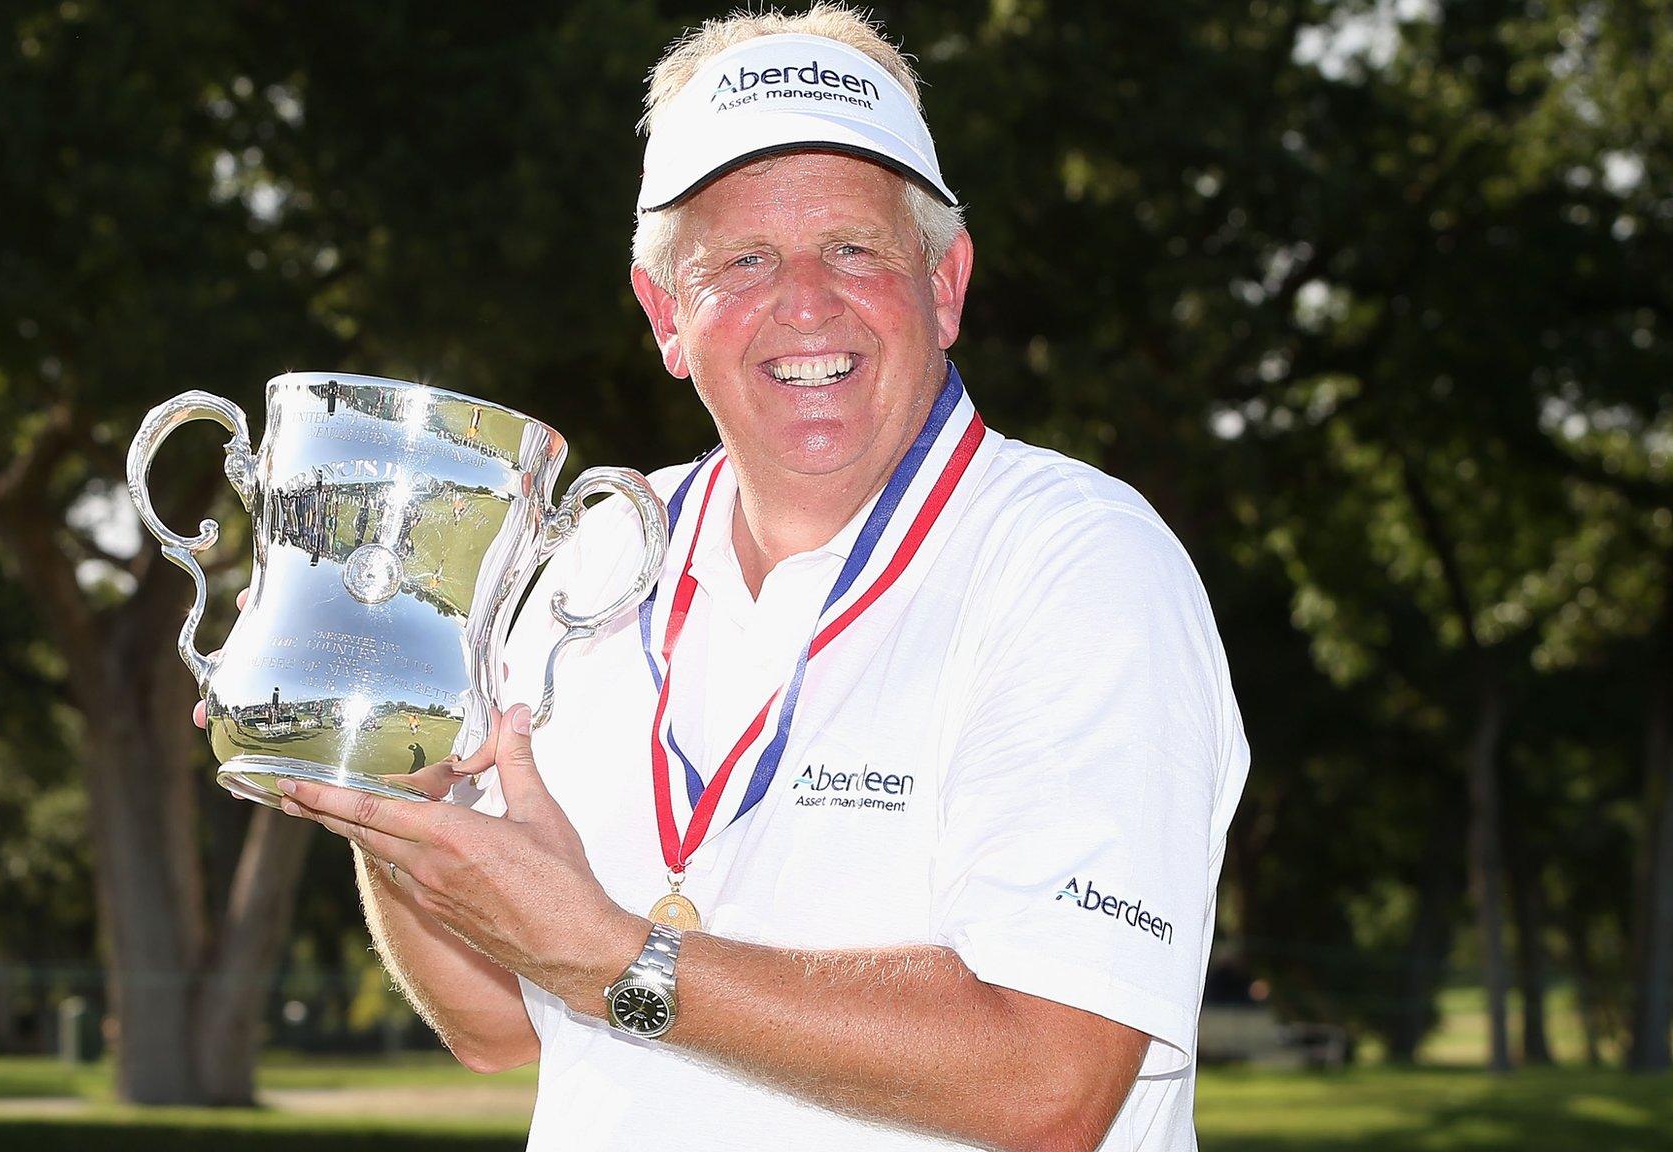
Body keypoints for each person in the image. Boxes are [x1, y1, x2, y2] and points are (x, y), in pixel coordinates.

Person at [196, 7, 1248, 1149]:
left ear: (944, 284)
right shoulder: (587, 553)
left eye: (852, 247)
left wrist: (612, 954)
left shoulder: (1076, 561)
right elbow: (503, 1023)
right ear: (665, 315)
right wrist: (385, 792)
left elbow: (1050, 1081)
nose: (804, 301)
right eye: (740, 261)